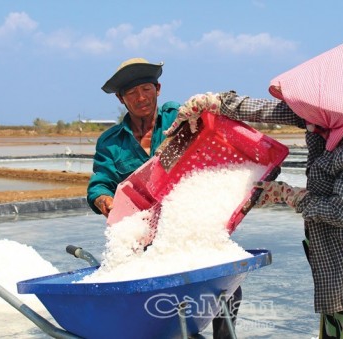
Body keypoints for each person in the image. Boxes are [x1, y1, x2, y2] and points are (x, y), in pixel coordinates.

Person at [164, 43, 343, 339]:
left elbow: (340, 212)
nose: (305, 117)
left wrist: (288, 195)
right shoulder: (329, 117)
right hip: (337, 269)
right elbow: (268, 109)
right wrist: (213, 102)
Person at [86, 57, 242, 339]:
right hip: (142, 234)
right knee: (160, 304)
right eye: (131, 93)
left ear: (158, 88)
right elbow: (99, 183)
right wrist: (103, 200)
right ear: (122, 100)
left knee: (224, 287)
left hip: (188, 223)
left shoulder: (177, 117)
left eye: (146, 89)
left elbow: (211, 126)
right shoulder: (110, 142)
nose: (141, 98)